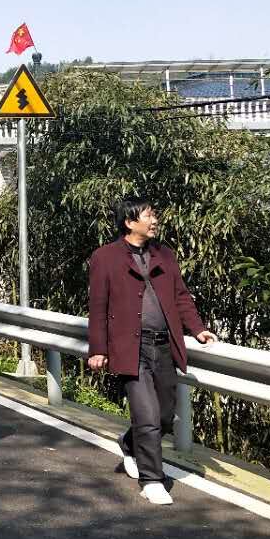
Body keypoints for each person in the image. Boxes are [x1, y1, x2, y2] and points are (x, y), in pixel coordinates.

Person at [87, 195, 217, 506]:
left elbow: (181, 296)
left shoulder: (164, 255)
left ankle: (130, 443)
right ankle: (152, 480)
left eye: (154, 214)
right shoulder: (105, 257)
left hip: (164, 346)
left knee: (164, 416)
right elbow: (98, 306)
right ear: (129, 222)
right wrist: (98, 349)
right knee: (146, 415)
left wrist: (197, 329)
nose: (155, 220)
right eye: (148, 215)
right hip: (131, 347)